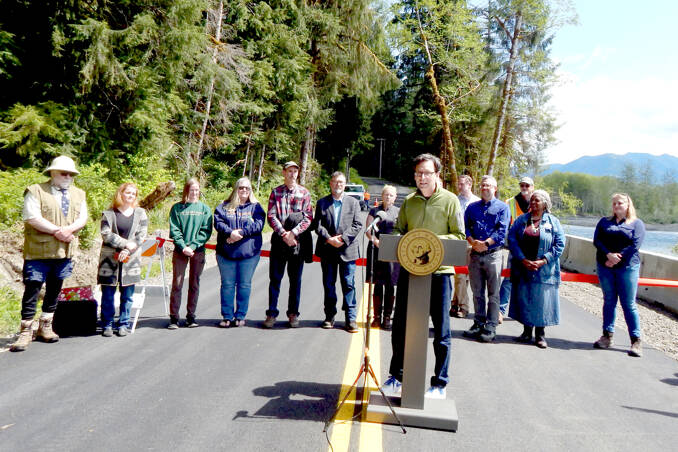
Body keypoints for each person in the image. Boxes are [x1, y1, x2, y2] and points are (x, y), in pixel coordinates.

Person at [381, 153, 465, 400]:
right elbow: (399, 230)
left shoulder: (450, 201)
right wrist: (403, 239)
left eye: (427, 173)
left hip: (439, 275)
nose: (422, 178)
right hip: (410, 272)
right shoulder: (409, 201)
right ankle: (397, 377)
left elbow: (459, 236)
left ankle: (439, 383)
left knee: (441, 331)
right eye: (418, 173)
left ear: (437, 175)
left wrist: (430, 242)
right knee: (400, 326)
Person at [11, 156, 88, 352]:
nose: (68, 176)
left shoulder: (79, 194)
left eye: (71, 173)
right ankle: (25, 330)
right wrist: (57, 231)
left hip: (64, 252)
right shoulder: (35, 190)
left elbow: (83, 218)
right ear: (52, 173)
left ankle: (46, 325)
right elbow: (31, 217)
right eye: (64, 172)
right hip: (38, 252)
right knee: (32, 289)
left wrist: (68, 230)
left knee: (55, 289)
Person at [507, 190, 565, 348]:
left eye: (537, 200)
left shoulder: (553, 222)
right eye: (531, 200)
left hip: (544, 270)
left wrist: (544, 260)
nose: (533, 203)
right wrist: (522, 259)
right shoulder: (521, 220)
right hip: (523, 267)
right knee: (525, 298)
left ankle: (540, 335)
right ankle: (526, 332)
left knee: (541, 302)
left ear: (545, 203)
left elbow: (559, 244)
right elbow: (512, 240)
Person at [592, 193, 645, 357]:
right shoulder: (604, 222)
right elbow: (597, 241)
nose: (616, 206)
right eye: (614, 203)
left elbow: (635, 245)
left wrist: (617, 258)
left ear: (628, 205)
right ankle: (607, 336)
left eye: (619, 203)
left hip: (627, 267)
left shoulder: (636, 224)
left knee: (628, 304)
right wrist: (608, 255)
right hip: (605, 266)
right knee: (609, 301)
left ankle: (636, 341)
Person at [312, 172, 364, 333]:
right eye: (335, 182)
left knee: (349, 285)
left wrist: (342, 239)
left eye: (341, 182)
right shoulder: (322, 202)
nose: (338, 185)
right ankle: (329, 316)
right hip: (328, 250)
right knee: (329, 285)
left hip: (347, 250)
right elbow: (317, 225)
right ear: (330, 183)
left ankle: (351, 318)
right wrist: (329, 239)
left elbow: (357, 224)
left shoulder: (353, 203)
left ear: (345, 184)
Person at [264, 161, 313, 328]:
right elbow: (271, 216)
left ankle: (293, 314)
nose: (292, 174)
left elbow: (308, 217)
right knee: (275, 280)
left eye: (295, 171)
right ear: (283, 173)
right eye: (289, 171)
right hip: (279, 241)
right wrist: (284, 233)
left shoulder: (305, 193)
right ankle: (271, 314)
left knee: (295, 281)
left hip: (296, 243)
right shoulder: (275, 192)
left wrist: (293, 233)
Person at [463, 175, 510, 343]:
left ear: (495, 188)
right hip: (475, 253)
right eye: (482, 185)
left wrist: (486, 243)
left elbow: (502, 230)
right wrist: (472, 242)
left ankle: (491, 326)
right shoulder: (472, 207)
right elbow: (466, 227)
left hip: (493, 254)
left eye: (488, 186)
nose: (485, 188)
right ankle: (478, 322)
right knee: (477, 292)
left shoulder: (503, 208)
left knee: (493, 293)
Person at [97, 183, 148, 337]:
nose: (130, 196)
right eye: (128, 192)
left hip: (131, 258)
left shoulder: (141, 213)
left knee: (128, 294)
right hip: (109, 257)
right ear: (121, 193)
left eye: (133, 194)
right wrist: (125, 244)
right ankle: (107, 324)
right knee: (108, 293)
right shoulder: (108, 213)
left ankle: (124, 323)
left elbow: (141, 235)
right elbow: (106, 234)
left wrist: (127, 250)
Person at [213, 177, 265, 328]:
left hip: (249, 254)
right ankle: (227, 316)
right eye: (241, 187)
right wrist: (230, 233)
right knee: (227, 285)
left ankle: (240, 316)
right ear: (236, 189)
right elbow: (218, 222)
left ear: (250, 190)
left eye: (247, 188)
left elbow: (259, 225)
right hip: (226, 254)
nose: (244, 190)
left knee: (244, 285)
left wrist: (239, 233)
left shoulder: (256, 207)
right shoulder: (223, 206)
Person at [168, 179, 213, 329]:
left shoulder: (205, 209)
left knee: (194, 284)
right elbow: (174, 230)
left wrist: (193, 246)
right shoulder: (177, 208)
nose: (194, 193)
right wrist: (183, 246)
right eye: (192, 190)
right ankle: (174, 317)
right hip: (180, 252)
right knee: (177, 284)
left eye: (197, 190)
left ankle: (190, 316)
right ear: (186, 190)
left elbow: (206, 231)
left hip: (197, 252)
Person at [499, 176, 535, 322]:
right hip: (516, 248)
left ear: (532, 187)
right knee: (508, 279)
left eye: (527, 185)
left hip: (533, 249)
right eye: (522, 185)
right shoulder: (510, 203)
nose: (524, 188)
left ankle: (527, 312)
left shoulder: (538, 202)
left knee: (530, 282)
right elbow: (505, 224)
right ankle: (500, 310)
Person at [365, 185, 400, 330]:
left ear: (395, 197)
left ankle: (387, 317)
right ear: (382, 195)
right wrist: (375, 240)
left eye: (391, 195)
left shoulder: (399, 212)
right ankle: (376, 317)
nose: (388, 197)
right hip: (376, 249)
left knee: (391, 286)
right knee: (378, 285)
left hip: (392, 252)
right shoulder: (374, 210)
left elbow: (403, 229)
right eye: (386, 194)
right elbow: (368, 230)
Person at [450, 174, 480, 318]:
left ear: (470, 184)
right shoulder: (455, 200)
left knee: (466, 277)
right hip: (459, 242)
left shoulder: (477, 202)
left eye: (462, 184)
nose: (460, 187)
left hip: (473, 243)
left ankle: (455, 303)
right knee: (459, 276)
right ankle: (464, 307)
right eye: (459, 184)